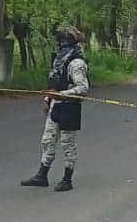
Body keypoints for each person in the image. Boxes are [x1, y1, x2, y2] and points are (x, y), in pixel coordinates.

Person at [21, 26, 89, 192]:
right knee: (48, 140)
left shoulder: (77, 63)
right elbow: (54, 84)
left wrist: (61, 94)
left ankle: (67, 179)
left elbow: (83, 88)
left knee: (67, 144)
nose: (60, 45)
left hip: (70, 107)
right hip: (56, 106)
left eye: (62, 41)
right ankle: (42, 175)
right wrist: (48, 99)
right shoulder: (59, 60)